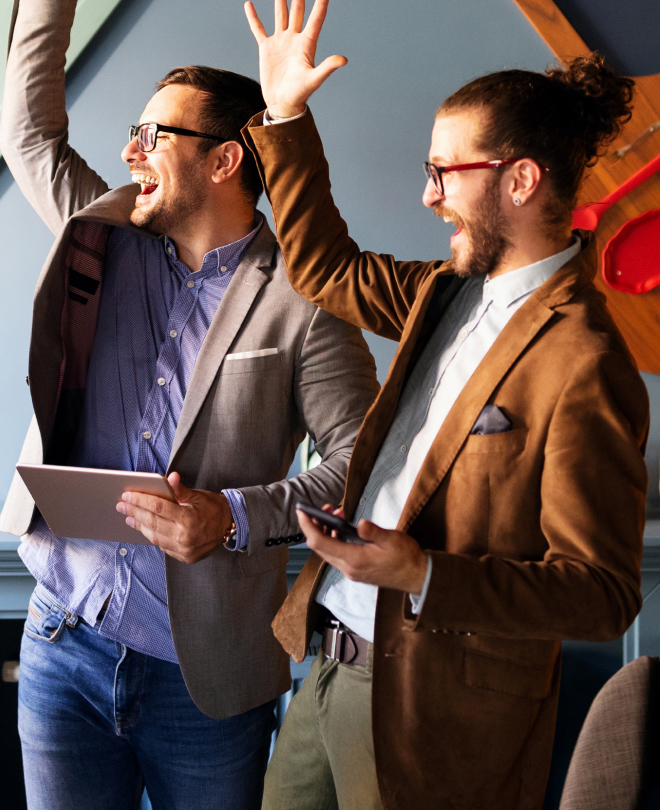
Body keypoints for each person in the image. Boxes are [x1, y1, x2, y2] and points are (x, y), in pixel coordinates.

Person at [242, 1, 650, 808]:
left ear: (520, 180)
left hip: (428, 712)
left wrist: (422, 572)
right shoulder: (444, 292)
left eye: (444, 172)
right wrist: (285, 116)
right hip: (326, 662)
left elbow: (602, 594)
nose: (429, 196)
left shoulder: (587, 361)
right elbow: (324, 267)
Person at [0, 0, 379, 808]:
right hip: (62, 640)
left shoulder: (308, 297)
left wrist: (231, 517)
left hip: (204, 681)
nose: (129, 151)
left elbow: (361, 467)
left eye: (153, 135)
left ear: (224, 161)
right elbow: (27, 135)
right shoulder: (103, 235)